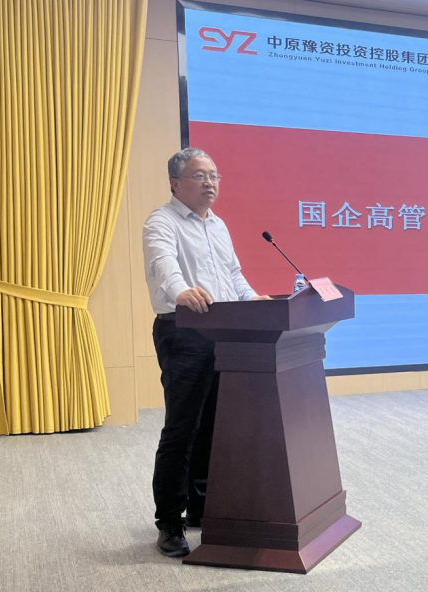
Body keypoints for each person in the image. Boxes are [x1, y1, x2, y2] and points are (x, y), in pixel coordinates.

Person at [142, 147, 269, 557]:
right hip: (184, 331)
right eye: (200, 175)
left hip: (224, 333)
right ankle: (169, 522)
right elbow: (164, 264)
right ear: (176, 183)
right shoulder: (161, 221)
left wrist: (253, 299)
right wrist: (181, 291)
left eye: (214, 175)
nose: (210, 183)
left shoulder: (218, 225)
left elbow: (232, 274)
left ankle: (201, 507)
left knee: (214, 427)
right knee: (182, 429)